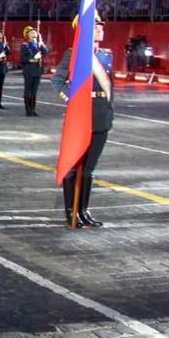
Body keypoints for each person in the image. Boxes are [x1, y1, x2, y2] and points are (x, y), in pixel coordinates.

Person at [52, 13, 111, 228]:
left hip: (101, 115)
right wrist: (73, 100)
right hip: (82, 115)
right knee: (74, 166)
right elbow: (57, 81)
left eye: (101, 26)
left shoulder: (105, 56)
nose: (100, 29)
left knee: (89, 169)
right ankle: (71, 212)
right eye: (95, 26)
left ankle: (84, 210)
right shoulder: (74, 54)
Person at [20, 26, 48, 116]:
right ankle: (28, 110)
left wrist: (41, 43)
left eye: (35, 33)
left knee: (34, 91)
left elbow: (46, 52)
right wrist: (32, 59)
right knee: (28, 90)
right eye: (31, 33)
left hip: (37, 70)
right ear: (27, 35)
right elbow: (22, 59)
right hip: (28, 70)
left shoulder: (38, 45)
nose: (33, 34)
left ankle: (33, 109)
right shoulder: (24, 46)